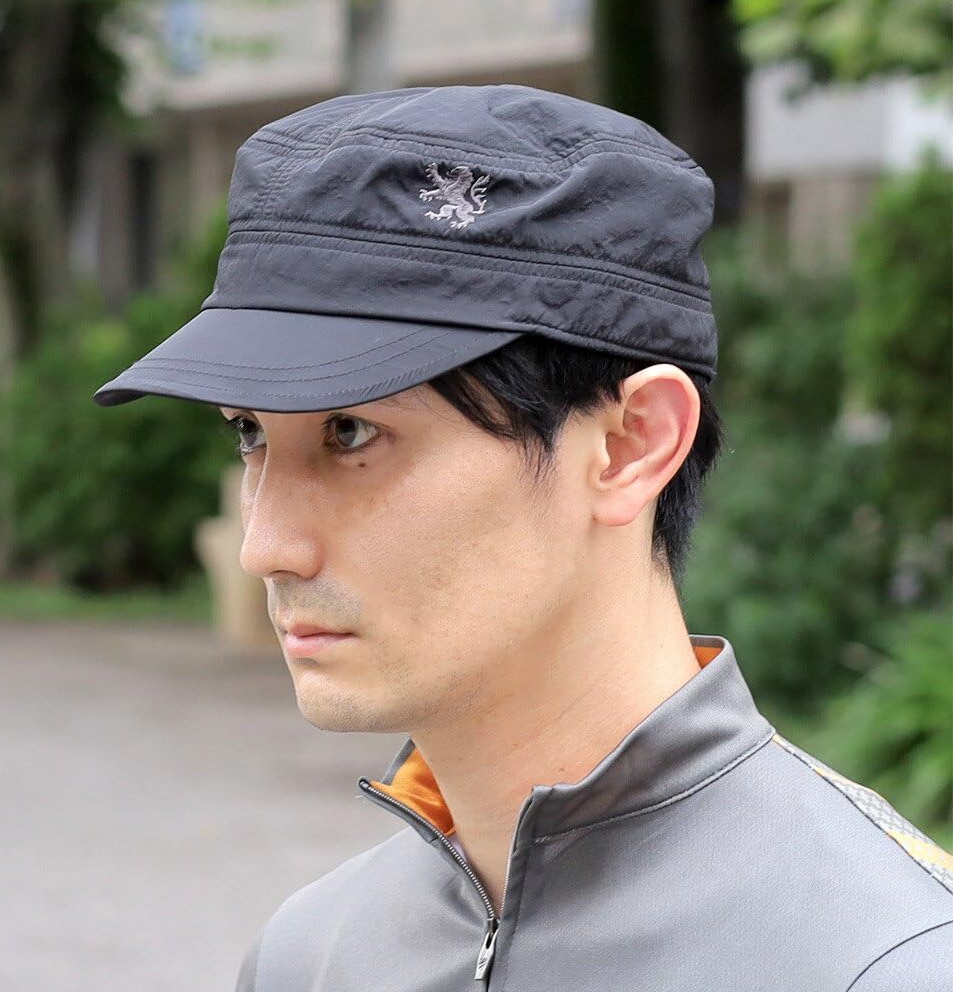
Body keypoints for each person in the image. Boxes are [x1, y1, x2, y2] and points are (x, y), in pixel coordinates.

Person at [93, 84, 952, 991]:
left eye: (350, 432)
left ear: (630, 445)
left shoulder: (886, 960)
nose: (264, 547)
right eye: (250, 432)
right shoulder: (312, 956)